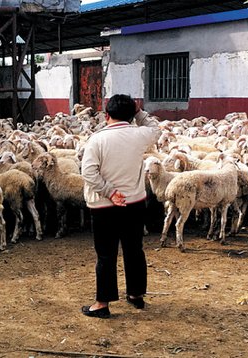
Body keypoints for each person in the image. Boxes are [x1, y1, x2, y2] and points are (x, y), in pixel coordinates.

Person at [80, 94, 161, 318]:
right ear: (131, 114)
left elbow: (88, 172)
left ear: (106, 115)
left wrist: (109, 192)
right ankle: (136, 295)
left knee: (106, 254)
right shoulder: (140, 135)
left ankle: (102, 303)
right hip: (134, 203)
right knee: (134, 250)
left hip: (103, 206)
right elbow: (154, 127)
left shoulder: (96, 140)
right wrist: (138, 113)